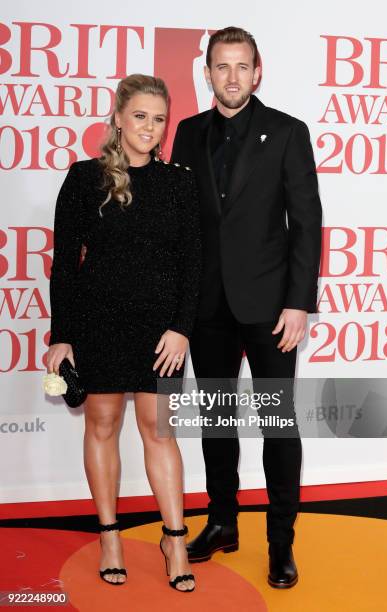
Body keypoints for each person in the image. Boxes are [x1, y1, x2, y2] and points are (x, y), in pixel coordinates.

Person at [171, 26, 322, 588]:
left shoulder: (286, 132)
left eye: (242, 67)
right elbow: (182, 226)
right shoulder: (186, 134)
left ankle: (281, 543)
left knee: (279, 427)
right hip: (206, 307)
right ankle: (222, 523)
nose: (232, 78)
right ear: (207, 73)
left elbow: (306, 224)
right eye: (221, 67)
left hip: (270, 310)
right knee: (216, 422)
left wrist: (299, 304)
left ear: (257, 73)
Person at [46, 74, 201, 592]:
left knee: (160, 431)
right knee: (103, 425)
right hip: (98, 324)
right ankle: (110, 535)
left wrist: (181, 328)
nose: (149, 128)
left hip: (161, 332)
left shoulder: (179, 182)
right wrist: (61, 335)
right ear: (117, 117)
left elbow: (192, 264)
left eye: (159, 119)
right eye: (140, 116)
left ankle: (174, 539)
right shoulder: (84, 177)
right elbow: (65, 265)